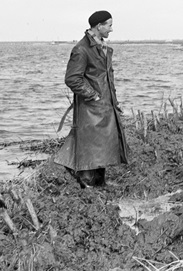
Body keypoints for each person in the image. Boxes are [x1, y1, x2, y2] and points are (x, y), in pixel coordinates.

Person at [54, 10, 129, 188]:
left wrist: (114, 102)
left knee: (102, 144)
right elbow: (72, 79)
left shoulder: (100, 46)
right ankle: (85, 184)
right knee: (89, 145)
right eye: (109, 25)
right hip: (90, 107)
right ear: (99, 26)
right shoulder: (81, 49)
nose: (111, 29)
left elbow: (107, 78)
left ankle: (100, 182)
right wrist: (93, 95)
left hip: (105, 106)